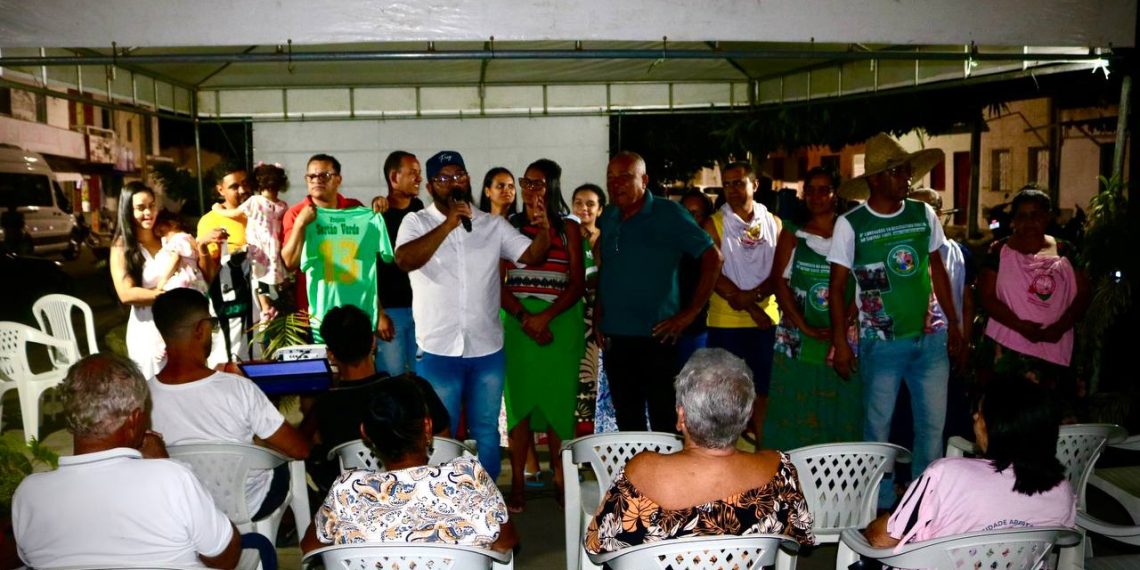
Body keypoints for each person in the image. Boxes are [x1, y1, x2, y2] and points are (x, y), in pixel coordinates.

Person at [395, 150, 551, 481]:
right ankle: (447, 506)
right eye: (445, 178)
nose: (454, 183)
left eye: (460, 175)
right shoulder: (416, 222)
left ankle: (489, 505)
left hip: (486, 349)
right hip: (438, 349)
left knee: (487, 432)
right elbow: (405, 260)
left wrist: (545, 229)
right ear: (431, 186)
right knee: (440, 434)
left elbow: (532, 255)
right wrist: (449, 224)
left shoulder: (492, 225)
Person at [828, 133, 963, 508]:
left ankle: (924, 502)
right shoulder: (851, 224)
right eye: (898, 171)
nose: (907, 178)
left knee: (932, 428)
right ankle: (882, 503)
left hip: (931, 339)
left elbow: (938, 270)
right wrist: (840, 342)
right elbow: (837, 286)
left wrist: (955, 325)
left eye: (907, 171)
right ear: (875, 179)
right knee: (878, 430)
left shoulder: (924, 214)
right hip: (880, 342)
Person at [12, 353, 240, 569]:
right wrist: (164, 464)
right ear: (134, 420)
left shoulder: (28, 494)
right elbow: (225, 558)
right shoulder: (172, 480)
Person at [585, 348, 815, 554]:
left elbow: (596, 544)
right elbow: (799, 539)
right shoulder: (778, 470)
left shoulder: (642, 471)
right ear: (745, 418)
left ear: (681, 416)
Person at [301, 375, 519, 554]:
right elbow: (505, 542)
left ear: (365, 433)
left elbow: (310, 547)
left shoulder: (346, 490)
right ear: (428, 426)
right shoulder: (468, 477)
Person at [149, 287, 311, 520]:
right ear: (201, 329)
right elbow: (299, 449)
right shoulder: (237, 388)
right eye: (212, 324)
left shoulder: (143, 396)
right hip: (250, 503)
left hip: (184, 507)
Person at [863, 377, 1075, 548]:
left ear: (1001, 426)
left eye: (981, 414)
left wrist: (866, 530)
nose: (974, 417)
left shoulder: (947, 474)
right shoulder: (1061, 489)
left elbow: (882, 538)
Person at [595, 151, 721, 433]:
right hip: (616, 336)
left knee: (665, 418)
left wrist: (689, 314)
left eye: (625, 177)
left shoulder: (669, 213)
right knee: (628, 420)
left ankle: (668, 477)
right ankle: (638, 477)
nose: (616, 184)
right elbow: (607, 267)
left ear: (645, 180)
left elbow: (714, 258)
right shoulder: (609, 216)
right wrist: (599, 312)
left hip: (657, 336)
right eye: (610, 178)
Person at [501, 158, 585, 512]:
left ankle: (561, 481)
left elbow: (577, 282)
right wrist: (525, 317)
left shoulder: (570, 227)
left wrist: (546, 316)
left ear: (552, 186)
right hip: (520, 327)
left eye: (538, 183)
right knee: (519, 408)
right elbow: (497, 281)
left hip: (559, 326)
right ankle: (517, 484)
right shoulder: (507, 226)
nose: (530, 189)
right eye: (526, 182)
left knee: (557, 409)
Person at [301, 304, 450, 493]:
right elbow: (445, 447)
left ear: (331, 355)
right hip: (427, 492)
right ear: (373, 342)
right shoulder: (415, 389)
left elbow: (303, 449)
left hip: (357, 500)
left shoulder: (326, 406)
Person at [764, 167, 862, 450]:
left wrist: (843, 324)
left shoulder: (850, 232)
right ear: (803, 195)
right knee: (797, 407)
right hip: (799, 338)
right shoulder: (793, 233)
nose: (817, 196)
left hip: (842, 339)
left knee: (840, 406)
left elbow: (860, 282)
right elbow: (779, 282)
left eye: (824, 190)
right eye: (811, 190)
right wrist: (803, 325)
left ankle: (839, 482)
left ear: (835, 195)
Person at [979, 188, 1089, 392]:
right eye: (1021, 215)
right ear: (1013, 219)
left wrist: (1059, 327)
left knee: (1050, 412)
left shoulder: (1067, 251)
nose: (1028, 222)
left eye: (1035, 215)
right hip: (1007, 347)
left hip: (1056, 347)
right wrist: (1021, 327)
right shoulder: (997, 251)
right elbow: (987, 297)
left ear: (1047, 217)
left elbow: (1083, 295)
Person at [702, 162, 782, 443]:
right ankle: (728, 457)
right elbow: (713, 275)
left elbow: (780, 271)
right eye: (727, 184)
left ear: (754, 184)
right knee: (727, 394)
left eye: (739, 183)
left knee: (764, 392)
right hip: (727, 321)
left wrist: (757, 298)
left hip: (767, 320)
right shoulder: (713, 224)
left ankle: (763, 453)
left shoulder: (774, 222)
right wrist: (750, 306)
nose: (733, 190)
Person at [111, 182, 221, 379]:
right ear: (127, 209)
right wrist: (167, 296)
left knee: (188, 387)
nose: (148, 212)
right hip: (148, 333)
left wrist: (202, 247)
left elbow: (205, 277)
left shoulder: (169, 235)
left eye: (152, 205)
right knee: (154, 393)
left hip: (184, 328)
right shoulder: (123, 246)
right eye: (140, 207)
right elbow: (126, 294)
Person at [281, 154, 365, 317]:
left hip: (355, 304)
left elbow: (368, 260)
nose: (317, 180)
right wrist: (300, 225)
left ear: (338, 179)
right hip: (314, 309)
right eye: (311, 176)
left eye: (324, 176)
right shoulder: (296, 213)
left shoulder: (354, 208)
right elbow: (289, 262)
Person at [206, 162, 290, 323]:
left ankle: (266, 309)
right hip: (274, 247)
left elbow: (233, 213)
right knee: (270, 278)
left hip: (258, 248)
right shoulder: (282, 205)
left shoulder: (255, 201)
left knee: (259, 279)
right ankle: (270, 305)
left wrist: (217, 208)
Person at [371, 151, 426, 375]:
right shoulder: (377, 216)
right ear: (394, 178)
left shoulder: (421, 210)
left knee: (423, 377)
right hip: (391, 312)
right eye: (412, 173)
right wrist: (378, 313)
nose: (419, 179)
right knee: (392, 378)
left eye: (419, 173)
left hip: (423, 309)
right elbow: (369, 269)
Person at [196, 162, 254, 365]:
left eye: (245, 183)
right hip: (231, 310)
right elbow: (209, 275)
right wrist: (203, 247)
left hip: (261, 309)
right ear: (220, 190)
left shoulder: (259, 212)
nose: (243, 190)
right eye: (234, 186)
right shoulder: (209, 221)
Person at [571, 183, 612, 433]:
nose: (583, 208)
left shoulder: (610, 239)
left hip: (602, 321)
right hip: (572, 319)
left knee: (600, 383)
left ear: (600, 209)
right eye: (578, 202)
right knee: (576, 387)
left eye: (590, 204)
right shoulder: (565, 238)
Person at [677, 190, 714, 367]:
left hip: (698, 328)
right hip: (670, 328)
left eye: (694, 214)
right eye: (684, 212)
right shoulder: (670, 244)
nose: (688, 218)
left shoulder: (709, 251)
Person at [154, 209, 209, 294]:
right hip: (195, 279)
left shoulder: (177, 239)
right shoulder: (189, 238)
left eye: (161, 229)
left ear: (172, 224)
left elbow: (176, 258)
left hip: (183, 279)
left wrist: (164, 280)